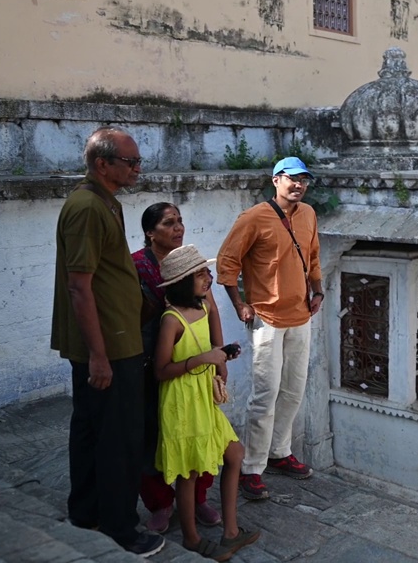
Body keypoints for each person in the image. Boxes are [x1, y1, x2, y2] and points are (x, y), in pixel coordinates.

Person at [50, 126, 165, 557]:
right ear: (103, 164)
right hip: (109, 345)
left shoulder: (104, 203)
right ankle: (121, 527)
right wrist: (99, 355)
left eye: (137, 161)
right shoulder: (85, 208)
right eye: (130, 162)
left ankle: (87, 512)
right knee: (119, 436)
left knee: (93, 428)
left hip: (117, 335)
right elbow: (80, 286)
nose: (137, 169)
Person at [217, 156, 324, 501]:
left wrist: (318, 288)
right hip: (266, 319)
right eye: (292, 179)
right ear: (276, 180)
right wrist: (239, 304)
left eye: (303, 180)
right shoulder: (253, 217)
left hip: (301, 315)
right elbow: (227, 262)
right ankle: (251, 468)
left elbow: (314, 255)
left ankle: (279, 452)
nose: (298, 185)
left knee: (293, 390)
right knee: (264, 395)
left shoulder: (308, 214)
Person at [154, 244, 261, 560]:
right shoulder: (171, 320)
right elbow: (160, 371)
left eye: (206, 272)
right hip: (181, 401)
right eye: (200, 274)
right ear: (183, 281)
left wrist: (221, 357)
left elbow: (209, 343)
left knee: (235, 453)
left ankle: (231, 532)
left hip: (202, 398)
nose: (208, 278)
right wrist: (202, 359)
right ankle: (191, 537)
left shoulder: (201, 308)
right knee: (188, 473)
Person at [132, 203, 223, 532]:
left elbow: (211, 308)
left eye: (180, 221)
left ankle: (197, 497)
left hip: (195, 361)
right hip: (149, 362)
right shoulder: (137, 266)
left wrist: (218, 352)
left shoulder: (191, 261)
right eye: (169, 223)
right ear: (150, 232)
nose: (178, 227)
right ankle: (160, 502)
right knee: (152, 432)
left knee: (199, 428)